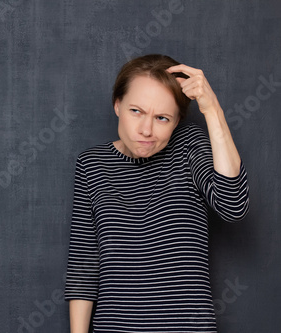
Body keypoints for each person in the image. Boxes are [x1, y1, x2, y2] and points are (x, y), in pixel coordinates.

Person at [64, 54, 250, 333]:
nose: (147, 130)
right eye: (136, 111)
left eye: (162, 118)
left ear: (176, 122)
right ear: (117, 105)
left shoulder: (189, 147)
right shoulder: (92, 164)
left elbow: (233, 205)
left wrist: (212, 110)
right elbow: (84, 261)